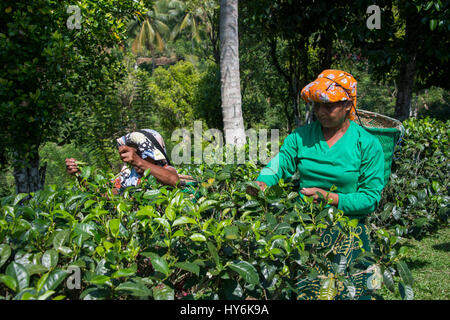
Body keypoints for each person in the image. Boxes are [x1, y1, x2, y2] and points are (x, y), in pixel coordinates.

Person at [253, 70, 385, 300]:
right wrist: (261, 183)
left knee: (351, 293)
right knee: (308, 291)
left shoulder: (367, 144)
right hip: (307, 232)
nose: (320, 112)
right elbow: (279, 165)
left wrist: (330, 198)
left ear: (347, 105)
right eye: (316, 105)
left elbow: (370, 198)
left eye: (329, 106)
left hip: (349, 234)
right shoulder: (301, 137)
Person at [66, 129, 181, 194]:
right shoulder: (127, 177)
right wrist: (80, 176)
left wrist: (139, 161)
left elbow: (174, 180)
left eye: (142, 154)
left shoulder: (165, 170)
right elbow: (103, 195)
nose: (135, 159)